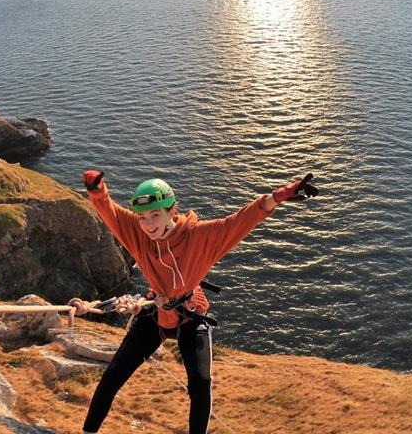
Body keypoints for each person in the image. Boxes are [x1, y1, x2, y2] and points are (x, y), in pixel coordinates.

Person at [70, 170, 318, 434]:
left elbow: (239, 221)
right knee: (113, 376)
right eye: (142, 216)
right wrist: (97, 191)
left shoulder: (199, 237)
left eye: (155, 214)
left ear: (172, 211)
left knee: (200, 383)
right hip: (155, 310)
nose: (147, 223)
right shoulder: (139, 233)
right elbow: (110, 211)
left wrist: (276, 197)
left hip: (191, 313)